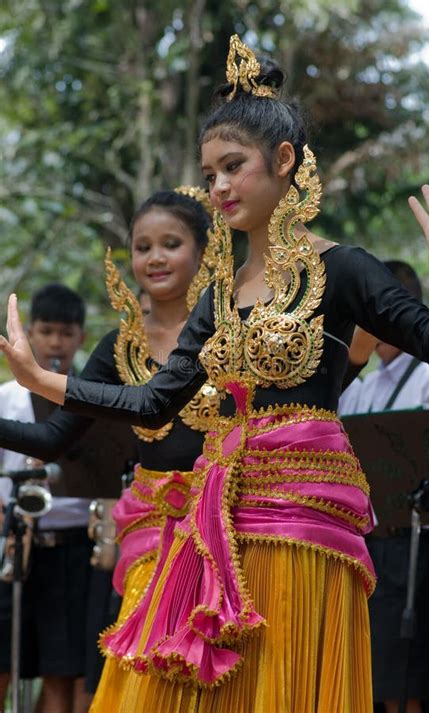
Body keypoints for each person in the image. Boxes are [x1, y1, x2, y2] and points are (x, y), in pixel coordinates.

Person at [0, 35, 429, 713]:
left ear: (283, 161)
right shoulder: (219, 294)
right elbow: (155, 398)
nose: (217, 186)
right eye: (210, 171)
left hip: (305, 515)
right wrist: (46, 384)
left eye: (232, 167)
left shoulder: (343, 267)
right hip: (220, 513)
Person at [0, 189, 217, 705]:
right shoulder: (118, 347)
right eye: (143, 247)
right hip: (153, 539)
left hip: (229, 527)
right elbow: (53, 439)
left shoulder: (231, 327)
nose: (155, 257)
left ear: (204, 252)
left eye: (171, 243)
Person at [342, 260, 429, 713]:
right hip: (368, 549)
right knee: (372, 681)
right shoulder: (358, 390)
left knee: (411, 681)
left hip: (419, 551)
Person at [0, 284, 93, 713]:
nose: (55, 342)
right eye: (46, 331)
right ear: (30, 333)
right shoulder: (6, 398)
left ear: (81, 336)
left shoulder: (92, 399)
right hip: (12, 544)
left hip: (71, 547)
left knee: (61, 667)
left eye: (66, 333)